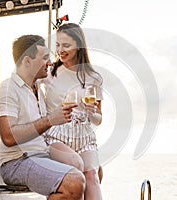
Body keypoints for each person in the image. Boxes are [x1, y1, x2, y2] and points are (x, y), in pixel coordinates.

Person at [0, 34, 85, 200]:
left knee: (92, 169)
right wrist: (49, 120)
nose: (50, 63)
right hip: (16, 161)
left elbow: (43, 131)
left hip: (41, 154)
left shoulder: (38, 90)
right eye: (45, 58)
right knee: (74, 183)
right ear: (27, 61)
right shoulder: (7, 90)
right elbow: (8, 137)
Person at [43, 23, 103, 200]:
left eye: (66, 45)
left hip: (84, 136)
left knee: (92, 175)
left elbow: (99, 120)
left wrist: (92, 112)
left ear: (79, 46)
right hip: (57, 136)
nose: (60, 50)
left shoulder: (93, 77)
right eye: (58, 45)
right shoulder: (50, 72)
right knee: (76, 171)